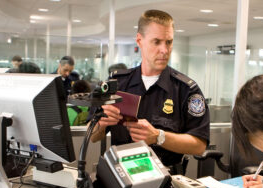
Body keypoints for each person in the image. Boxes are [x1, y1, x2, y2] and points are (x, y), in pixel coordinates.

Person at [90, 9, 210, 171]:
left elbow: (199, 146)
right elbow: (93, 136)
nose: (164, 50)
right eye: (157, 42)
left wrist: (159, 137)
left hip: (166, 179)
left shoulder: (185, 89)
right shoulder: (116, 84)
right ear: (139, 40)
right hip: (121, 176)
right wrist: (102, 124)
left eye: (168, 42)